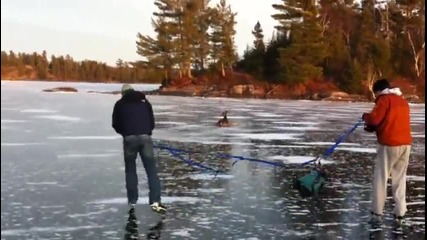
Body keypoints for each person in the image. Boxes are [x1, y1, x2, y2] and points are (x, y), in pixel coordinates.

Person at [362, 79, 412, 230]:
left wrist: (365, 117)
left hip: (390, 144)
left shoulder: (384, 100)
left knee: (381, 177)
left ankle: (376, 211)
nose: (375, 96)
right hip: (406, 143)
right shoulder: (402, 100)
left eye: (375, 93)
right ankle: (400, 211)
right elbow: (390, 121)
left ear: (379, 90)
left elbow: (374, 118)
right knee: (399, 178)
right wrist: (375, 127)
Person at [112, 84, 166, 214]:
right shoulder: (144, 102)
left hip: (129, 139)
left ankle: (132, 200)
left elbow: (115, 124)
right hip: (145, 137)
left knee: (130, 170)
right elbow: (152, 121)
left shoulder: (120, 104)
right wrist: (146, 132)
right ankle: (155, 201)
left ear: (123, 93)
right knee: (151, 170)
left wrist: (126, 133)